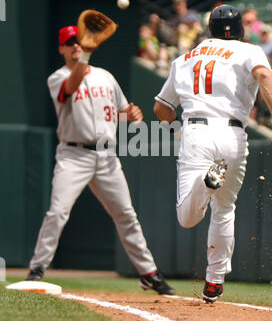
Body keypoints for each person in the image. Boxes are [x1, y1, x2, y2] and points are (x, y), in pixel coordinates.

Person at [25, 25, 175, 296]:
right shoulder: (58, 77)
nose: (75, 46)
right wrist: (85, 59)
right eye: (69, 43)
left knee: (126, 214)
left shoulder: (105, 77)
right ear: (61, 48)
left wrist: (129, 115)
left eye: (78, 42)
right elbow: (70, 89)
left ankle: (149, 273)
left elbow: (119, 111)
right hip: (74, 155)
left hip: (106, 155)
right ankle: (38, 268)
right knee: (57, 212)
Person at [153, 4, 272, 303]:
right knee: (225, 208)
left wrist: (176, 128)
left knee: (188, 218)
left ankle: (205, 183)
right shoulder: (249, 51)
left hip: (196, 131)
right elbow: (265, 77)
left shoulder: (185, 58)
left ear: (210, 29)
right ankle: (214, 281)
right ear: (239, 29)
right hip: (234, 133)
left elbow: (161, 107)